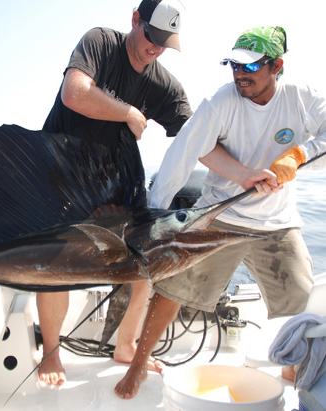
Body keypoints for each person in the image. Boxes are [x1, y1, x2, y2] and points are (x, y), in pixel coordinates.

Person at [115, 25, 326, 399]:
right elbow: (183, 152)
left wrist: (297, 157)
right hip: (220, 215)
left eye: (250, 68)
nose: (239, 75)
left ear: (276, 65)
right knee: (172, 290)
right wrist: (153, 218)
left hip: (278, 222)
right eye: (234, 66)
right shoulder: (221, 101)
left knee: (304, 305)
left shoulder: (301, 97)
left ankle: (294, 368)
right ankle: (137, 364)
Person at [37, 0, 192, 386]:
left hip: (113, 183)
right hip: (62, 176)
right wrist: (128, 113)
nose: (155, 48)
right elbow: (75, 93)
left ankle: (126, 346)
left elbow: (196, 135)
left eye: (165, 43)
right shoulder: (101, 43)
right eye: (151, 37)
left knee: (145, 263)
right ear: (135, 20)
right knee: (57, 267)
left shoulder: (163, 84)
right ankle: (51, 354)